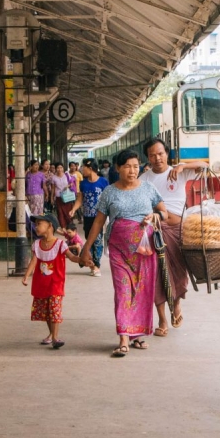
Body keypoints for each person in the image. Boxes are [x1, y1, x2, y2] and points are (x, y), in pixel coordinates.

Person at [79, 149, 169, 357]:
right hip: (119, 251)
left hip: (145, 251)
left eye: (136, 166)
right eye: (127, 166)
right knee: (123, 292)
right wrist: (86, 248)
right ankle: (124, 337)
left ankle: (137, 335)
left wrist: (155, 216)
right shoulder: (109, 192)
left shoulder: (148, 188)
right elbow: (99, 222)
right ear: (118, 168)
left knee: (142, 291)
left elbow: (164, 212)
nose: (132, 170)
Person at [140, 138, 208, 336]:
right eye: (152, 155)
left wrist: (183, 166)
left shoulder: (179, 171)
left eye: (160, 153)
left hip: (177, 231)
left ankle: (176, 304)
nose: (157, 158)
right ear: (148, 158)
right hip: (154, 232)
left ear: (166, 154)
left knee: (178, 273)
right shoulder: (145, 179)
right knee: (155, 276)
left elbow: (205, 166)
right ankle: (162, 320)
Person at [22, 213, 85, 349]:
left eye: (39, 224)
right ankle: (51, 334)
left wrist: (81, 260)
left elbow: (71, 257)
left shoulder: (60, 244)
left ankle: (55, 337)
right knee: (46, 311)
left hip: (56, 284)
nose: (36, 226)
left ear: (50, 226)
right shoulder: (37, 244)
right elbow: (34, 260)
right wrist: (26, 275)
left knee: (55, 310)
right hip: (42, 284)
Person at [69, 158, 109, 276]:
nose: (81, 169)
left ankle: (96, 265)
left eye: (83, 167)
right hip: (87, 217)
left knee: (97, 240)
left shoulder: (103, 182)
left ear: (90, 168)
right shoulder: (83, 183)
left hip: (99, 217)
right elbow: (80, 199)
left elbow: (108, 199)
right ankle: (90, 262)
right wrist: (73, 209)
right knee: (89, 239)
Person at [49, 162, 77, 229]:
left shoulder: (67, 175)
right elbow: (53, 188)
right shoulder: (53, 178)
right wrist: (52, 198)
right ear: (56, 169)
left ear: (63, 168)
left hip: (67, 197)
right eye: (58, 168)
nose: (59, 169)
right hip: (59, 197)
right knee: (60, 212)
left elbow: (72, 184)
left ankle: (70, 226)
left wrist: (68, 186)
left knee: (68, 211)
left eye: (61, 167)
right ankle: (63, 227)